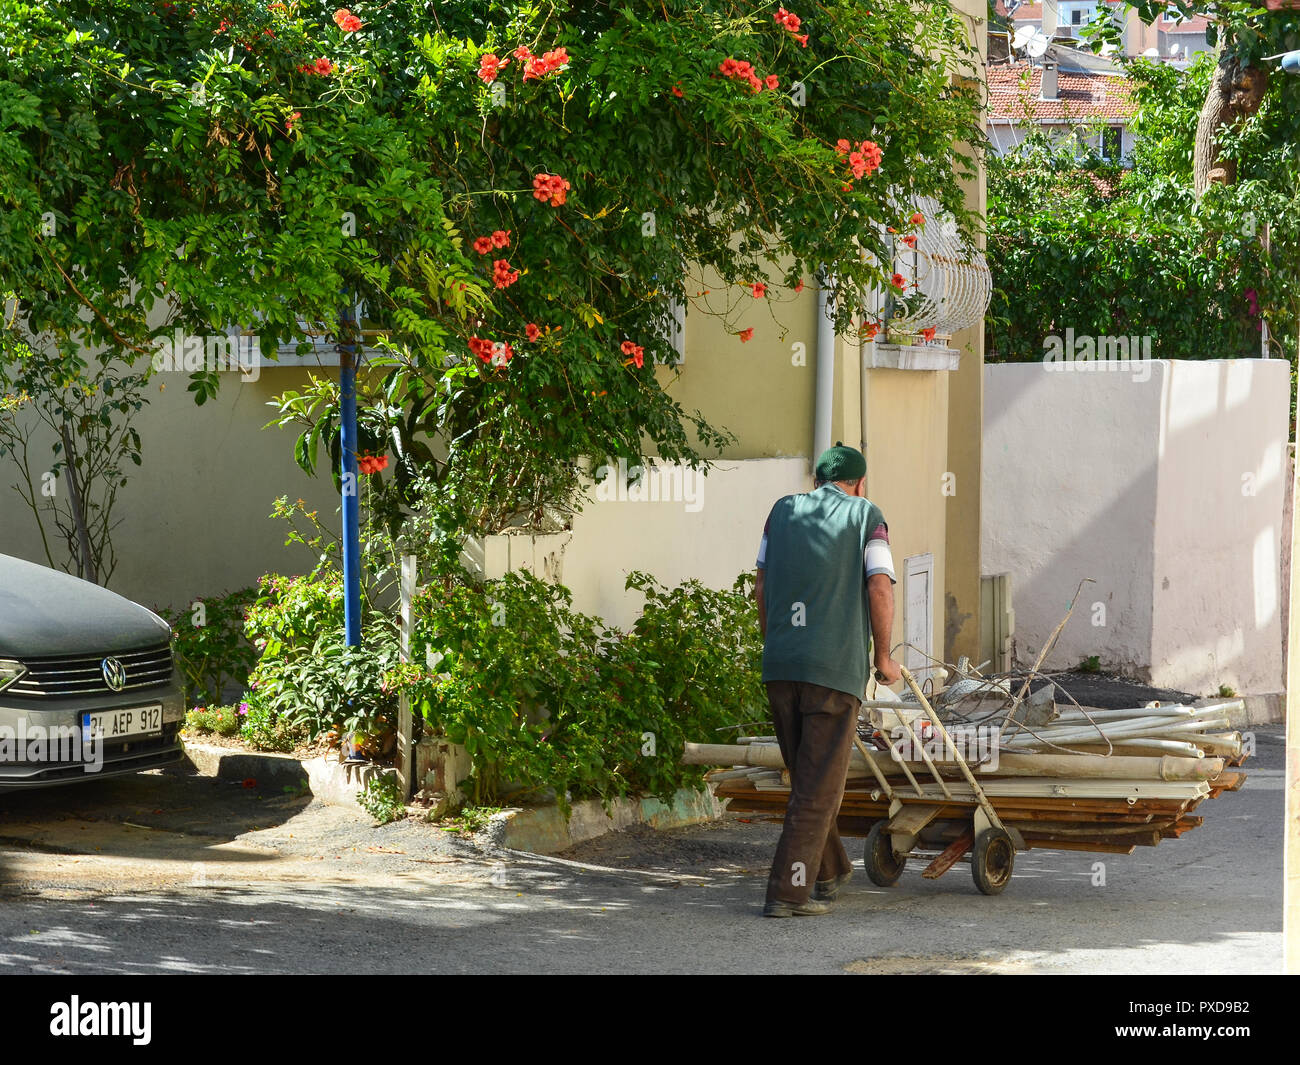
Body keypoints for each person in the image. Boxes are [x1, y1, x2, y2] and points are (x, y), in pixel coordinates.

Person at [753, 442, 901, 917]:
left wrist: (775, 643)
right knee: (818, 789)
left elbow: (760, 582)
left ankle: (831, 871)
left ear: (816, 481)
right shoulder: (867, 516)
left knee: (809, 781)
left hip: (781, 667)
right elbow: (879, 584)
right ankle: (786, 894)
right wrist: (885, 656)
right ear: (859, 482)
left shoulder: (780, 512)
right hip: (833, 673)